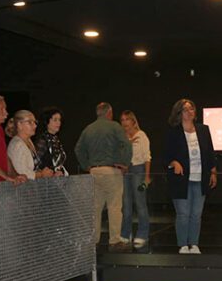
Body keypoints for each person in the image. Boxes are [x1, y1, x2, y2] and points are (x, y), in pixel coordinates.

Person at [75, 102, 132, 250]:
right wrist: (124, 163)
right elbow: (126, 144)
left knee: (95, 207)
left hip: (94, 172)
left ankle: (94, 240)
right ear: (109, 113)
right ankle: (114, 240)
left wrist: (86, 165)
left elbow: (78, 148)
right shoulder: (114, 126)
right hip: (111, 171)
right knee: (114, 206)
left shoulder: (88, 129)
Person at [166, 99, 217, 254]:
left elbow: (210, 153)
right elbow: (166, 156)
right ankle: (182, 245)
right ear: (179, 113)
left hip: (200, 178)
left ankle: (194, 244)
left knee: (196, 215)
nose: (190, 112)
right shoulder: (173, 132)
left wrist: (213, 172)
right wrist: (174, 162)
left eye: (192, 109)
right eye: (185, 109)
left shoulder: (203, 130)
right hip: (181, 180)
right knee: (183, 214)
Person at [120, 110, 152, 249]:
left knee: (140, 203)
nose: (124, 122)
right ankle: (126, 233)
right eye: (122, 119)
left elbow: (147, 157)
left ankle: (143, 234)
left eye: (127, 119)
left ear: (133, 121)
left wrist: (147, 176)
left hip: (138, 170)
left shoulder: (141, 135)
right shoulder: (121, 137)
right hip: (125, 171)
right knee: (126, 205)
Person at [6, 110, 54, 180]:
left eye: (35, 122)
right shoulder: (17, 145)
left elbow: (32, 169)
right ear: (19, 125)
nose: (35, 125)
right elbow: (21, 175)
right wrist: (42, 174)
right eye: (30, 122)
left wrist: (47, 172)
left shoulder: (28, 141)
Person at [34, 107, 69, 176]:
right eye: (55, 120)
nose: (58, 122)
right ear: (46, 121)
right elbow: (35, 164)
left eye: (59, 120)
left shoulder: (56, 139)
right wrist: (51, 173)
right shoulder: (43, 140)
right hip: (45, 181)